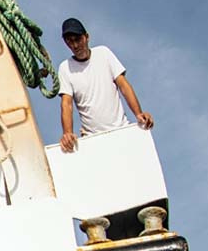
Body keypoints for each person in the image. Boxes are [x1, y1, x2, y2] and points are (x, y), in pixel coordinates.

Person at [57, 17, 154, 152]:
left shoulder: (104, 53)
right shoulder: (65, 68)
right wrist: (67, 133)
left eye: (78, 40)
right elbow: (66, 103)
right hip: (93, 138)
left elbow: (123, 85)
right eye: (70, 42)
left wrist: (138, 113)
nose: (75, 46)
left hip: (121, 129)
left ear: (86, 37)